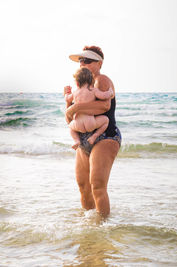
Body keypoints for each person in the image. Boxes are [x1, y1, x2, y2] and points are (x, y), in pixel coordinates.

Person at [64, 45, 122, 217]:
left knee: (97, 185)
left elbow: (105, 105)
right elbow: (69, 118)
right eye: (81, 61)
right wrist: (69, 106)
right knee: (83, 187)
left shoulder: (101, 79)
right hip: (84, 138)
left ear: (100, 63)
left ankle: (103, 227)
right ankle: (89, 229)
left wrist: (75, 108)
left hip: (105, 135)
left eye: (87, 60)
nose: (82, 63)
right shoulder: (79, 86)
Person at [64, 68, 113, 150]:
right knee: (106, 120)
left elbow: (67, 99)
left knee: (70, 127)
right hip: (90, 123)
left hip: (77, 124)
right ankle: (94, 136)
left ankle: (76, 140)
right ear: (91, 80)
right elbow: (104, 96)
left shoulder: (75, 92)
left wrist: (67, 93)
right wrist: (110, 92)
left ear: (76, 82)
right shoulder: (93, 90)